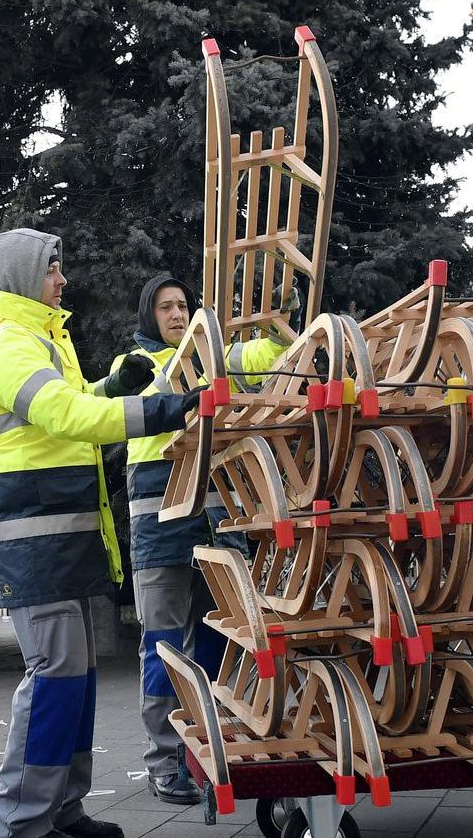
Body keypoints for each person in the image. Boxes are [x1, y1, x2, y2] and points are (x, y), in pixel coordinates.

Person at [0, 229, 202, 838]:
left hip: (56, 532)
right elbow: (68, 418)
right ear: (23, 276)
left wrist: (113, 387)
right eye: (52, 269)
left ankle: (62, 810)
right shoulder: (7, 346)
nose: (62, 279)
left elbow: (63, 409)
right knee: (55, 677)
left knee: (76, 678)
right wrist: (164, 407)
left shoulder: (40, 340)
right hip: (29, 535)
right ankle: (19, 823)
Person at [111, 274, 284, 804]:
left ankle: (205, 747)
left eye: (183, 306)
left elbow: (259, 355)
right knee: (161, 646)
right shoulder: (133, 365)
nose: (177, 315)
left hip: (213, 526)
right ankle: (164, 759)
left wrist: (275, 317)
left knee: (214, 636)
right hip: (160, 528)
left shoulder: (214, 355)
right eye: (165, 308)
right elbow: (140, 400)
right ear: (149, 316)